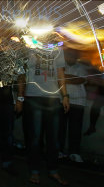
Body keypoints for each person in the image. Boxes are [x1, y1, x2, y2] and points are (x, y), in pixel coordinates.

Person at [17, 43, 70, 186]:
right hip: (33, 97)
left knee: (54, 139)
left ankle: (53, 170)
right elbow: (21, 73)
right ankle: (34, 171)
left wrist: (65, 95)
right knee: (34, 138)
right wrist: (20, 98)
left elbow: (60, 73)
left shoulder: (57, 49)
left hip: (53, 99)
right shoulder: (29, 46)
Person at [58, 48, 87, 163]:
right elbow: (58, 79)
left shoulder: (81, 67)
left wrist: (64, 77)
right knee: (60, 127)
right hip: (61, 100)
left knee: (75, 129)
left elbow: (80, 80)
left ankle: (74, 153)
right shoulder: (60, 66)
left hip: (78, 102)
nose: (71, 57)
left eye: (73, 55)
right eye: (69, 55)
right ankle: (59, 151)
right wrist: (69, 78)